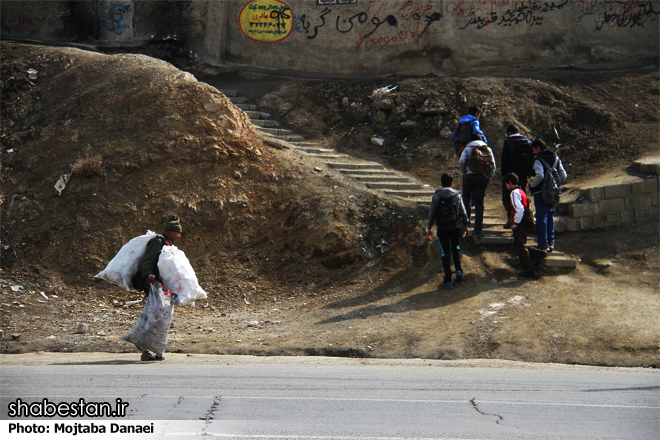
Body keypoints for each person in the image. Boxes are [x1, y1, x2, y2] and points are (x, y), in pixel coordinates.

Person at [131, 214, 182, 361]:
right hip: (153, 285)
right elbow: (147, 261)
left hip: (159, 286)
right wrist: (150, 276)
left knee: (159, 317)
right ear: (171, 231)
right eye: (178, 233)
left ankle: (154, 350)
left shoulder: (165, 243)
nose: (179, 236)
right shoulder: (157, 242)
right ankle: (147, 350)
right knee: (156, 317)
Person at [427, 173, 469, 289]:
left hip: (442, 228)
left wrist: (429, 227)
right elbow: (463, 212)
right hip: (455, 227)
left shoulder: (436, 197)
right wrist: (465, 225)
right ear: (452, 183)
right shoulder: (457, 195)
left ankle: (448, 280)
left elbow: (432, 214)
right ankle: (459, 271)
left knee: (445, 252)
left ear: (441, 183)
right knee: (455, 247)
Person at [503, 172, 547, 278]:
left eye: (506, 184)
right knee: (519, 243)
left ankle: (530, 269)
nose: (506, 187)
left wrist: (515, 224)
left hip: (521, 221)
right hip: (528, 220)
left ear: (509, 183)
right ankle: (538, 253)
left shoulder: (514, 193)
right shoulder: (521, 191)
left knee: (520, 246)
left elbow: (519, 209)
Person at [529, 139, 567, 252]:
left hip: (540, 192)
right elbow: (563, 175)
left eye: (533, 150)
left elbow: (539, 175)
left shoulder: (537, 159)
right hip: (553, 193)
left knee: (541, 217)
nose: (533, 153)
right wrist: (554, 184)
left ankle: (542, 244)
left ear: (538, 148)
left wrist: (532, 185)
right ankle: (551, 243)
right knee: (550, 216)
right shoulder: (555, 158)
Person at [459, 134, 496, 238]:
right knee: (479, 203)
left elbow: (461, 161)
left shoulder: (468, 148)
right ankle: (478, 230)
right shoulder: (487, 149)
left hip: (469, 177)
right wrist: (489, 178)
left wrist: (465, 173)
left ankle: (467, 221)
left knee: (466, 197)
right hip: (482, 178)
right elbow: (493, 165)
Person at [500, 124, 533, 228]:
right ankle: (526, 218)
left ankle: (511, 219)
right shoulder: (528, 142)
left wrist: (504, 174)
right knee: (522, 196)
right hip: (524, 175)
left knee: (507, 197)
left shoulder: (508, 142)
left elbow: (504, 159)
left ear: (509, 133)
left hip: (510, 175)